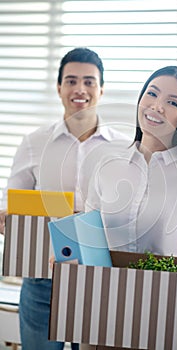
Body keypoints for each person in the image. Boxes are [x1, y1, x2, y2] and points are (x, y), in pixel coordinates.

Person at [0, 47, 130, 350]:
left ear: (101, 89)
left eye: (89, 81)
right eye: (71, 81)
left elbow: (133, 210)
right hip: (43, 279)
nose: (79, 89)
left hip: (99, 279)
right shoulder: (34, 142)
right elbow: (13, 202)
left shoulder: (125, 149)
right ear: (59, 88)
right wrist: (7, 216)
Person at [86, 65, 177, 296]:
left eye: (173, 102)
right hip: (103, 296)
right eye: (152, 93)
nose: (157, 106)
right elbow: (87, 232)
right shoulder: (107, 165)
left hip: (162, 302)